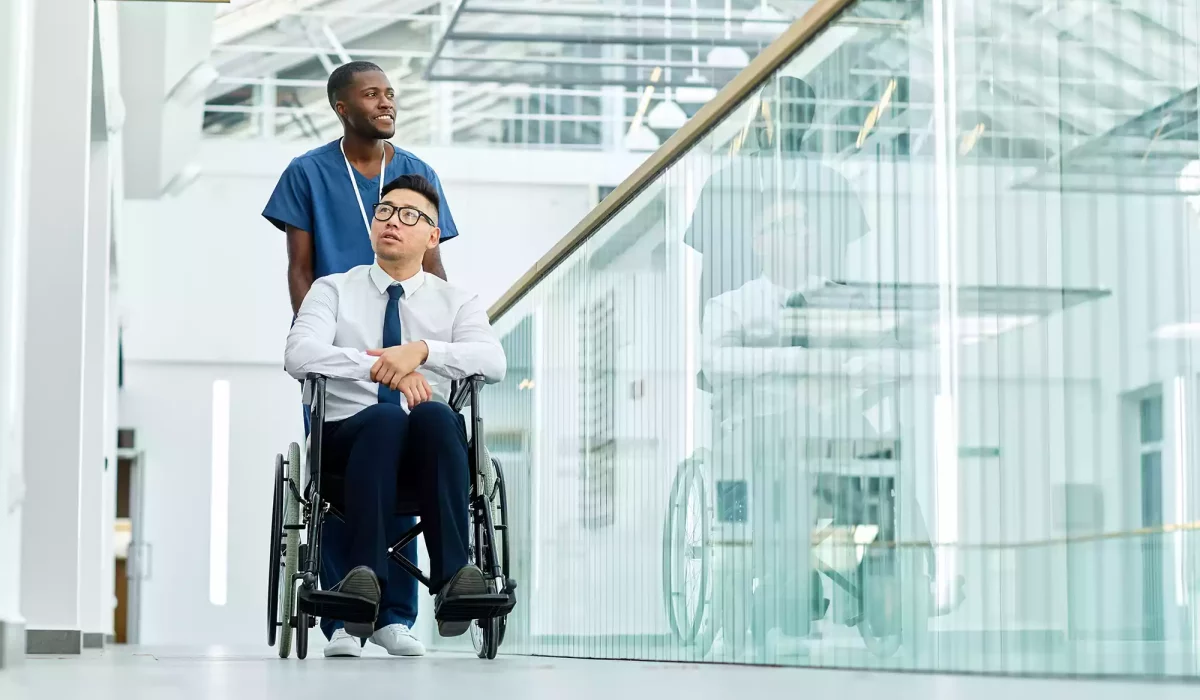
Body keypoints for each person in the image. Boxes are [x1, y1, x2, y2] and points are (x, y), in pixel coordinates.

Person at [263, 61, 460, 656]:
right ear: (341, 107)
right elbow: (300, 267)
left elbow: (434, 265)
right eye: (371, 94)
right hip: (342, 342)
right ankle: (343, 616)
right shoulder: (308, 172)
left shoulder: (416, 173)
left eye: (390, 93)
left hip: (406, 345)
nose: (386, 102)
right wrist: (321, 346)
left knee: (408, 454)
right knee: (337, 486)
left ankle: (396, 617)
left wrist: (435, 333)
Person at [284, 174, 506, 659]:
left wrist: (422, 351)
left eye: (410, 215)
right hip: (349, 442)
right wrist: (386, 368)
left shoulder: (458, 301)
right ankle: (364, 589)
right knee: (386, 420)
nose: (392, 222)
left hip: (430, 453)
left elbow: (494, 362)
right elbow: (299, 354)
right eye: (384, 211)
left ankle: (454, 581)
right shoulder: (333, 289)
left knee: (433, 416)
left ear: (433, 236)